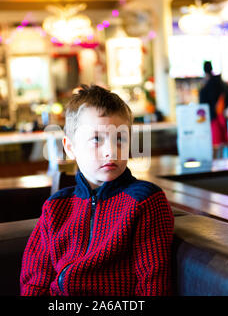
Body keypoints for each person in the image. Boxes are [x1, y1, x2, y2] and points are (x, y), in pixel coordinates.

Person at [20, 84, 174, 296]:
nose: (111, 151)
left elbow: (153, 284)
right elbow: (35, 281)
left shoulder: (144, 201)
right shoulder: (55, 208)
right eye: (96, 139)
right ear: (70, 148)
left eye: (120, 139)